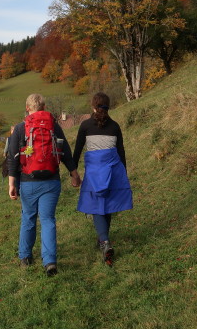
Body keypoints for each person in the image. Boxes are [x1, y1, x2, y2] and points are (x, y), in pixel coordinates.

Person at [7, 93, 81, 276]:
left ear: (27, 108)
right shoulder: (54, 126)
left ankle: (25, 257)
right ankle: (49, 262)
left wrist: (12, 183)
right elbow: (65, 153)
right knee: (48, 220)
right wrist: (74, 175)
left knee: (28, 218)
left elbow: (12, 158)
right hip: (51, 181)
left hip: (28, 181)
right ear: (44, 107)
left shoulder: (19, 128)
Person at [73, 92, 132, 266]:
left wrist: (73, 173)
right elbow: (121, 152)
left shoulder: (85, 126)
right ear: (108, 106)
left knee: (96, 206)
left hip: (93, 172)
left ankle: (104, 241)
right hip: (113, 170)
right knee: (108, 204)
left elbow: (77, 151)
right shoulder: (115, 127)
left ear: (93, 106)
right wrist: (124, 174)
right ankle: (102, 239)